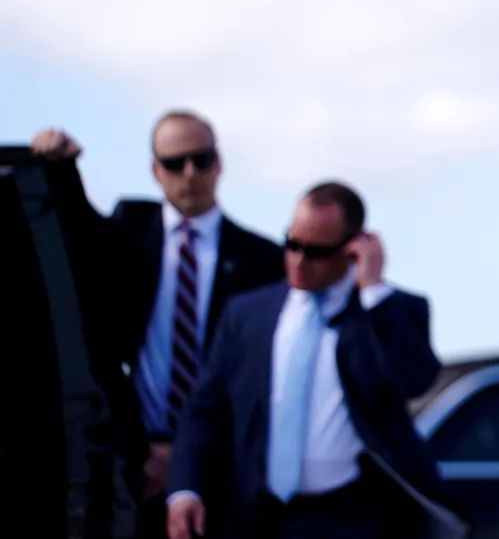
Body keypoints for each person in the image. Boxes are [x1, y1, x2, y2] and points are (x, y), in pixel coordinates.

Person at [31, 112, 285, 538]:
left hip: (219, 474)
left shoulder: (261, 260)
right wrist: (59, 164)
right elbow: (76, 234)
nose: (190, 174)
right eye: (175, 163)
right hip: (134, 465)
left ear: (219, 163)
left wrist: (188, 459)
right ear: (155, 171)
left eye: (201, 160)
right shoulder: (131, 229)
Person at [166, 181, 465, 539]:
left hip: (354, 517)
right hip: (256, 516)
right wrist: (185, 490)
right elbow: (205, 409)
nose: (299, 261)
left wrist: (373, 291)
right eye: (292, 244)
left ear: (353, 249)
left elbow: (414, 379)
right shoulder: (247, 314)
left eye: (317, 252)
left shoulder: (389, 310)